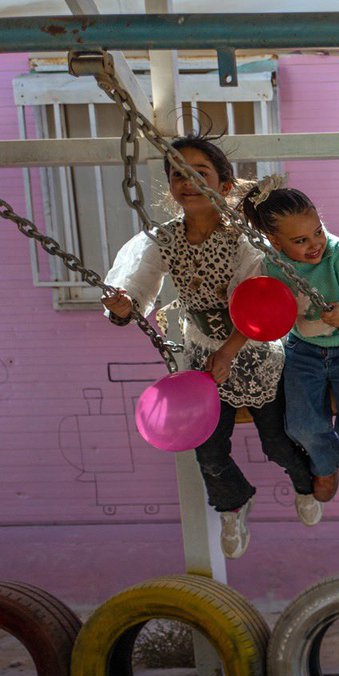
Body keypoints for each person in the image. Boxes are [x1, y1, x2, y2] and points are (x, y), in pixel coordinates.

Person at [101, 136, 321, 559]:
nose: (187, 181)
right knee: (209, 450)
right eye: (177, 174)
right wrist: (124, 300)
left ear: (223, 186)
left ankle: (305, 484)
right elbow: (138, 276)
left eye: (199, 172)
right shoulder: (163, 239)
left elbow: (256, 301)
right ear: (170, 188)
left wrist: (230, 352)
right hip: (203, 356)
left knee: (276, 441)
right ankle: (233, 506)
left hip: (253, 351)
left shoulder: (243, 239)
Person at [241, 180, 339, 507]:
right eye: (300, 240)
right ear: (275, 243)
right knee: (302, 425)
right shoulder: (270, 266)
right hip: (303, 350)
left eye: (318, 232)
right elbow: (266, 308)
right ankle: (325, 463)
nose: (314, 244)